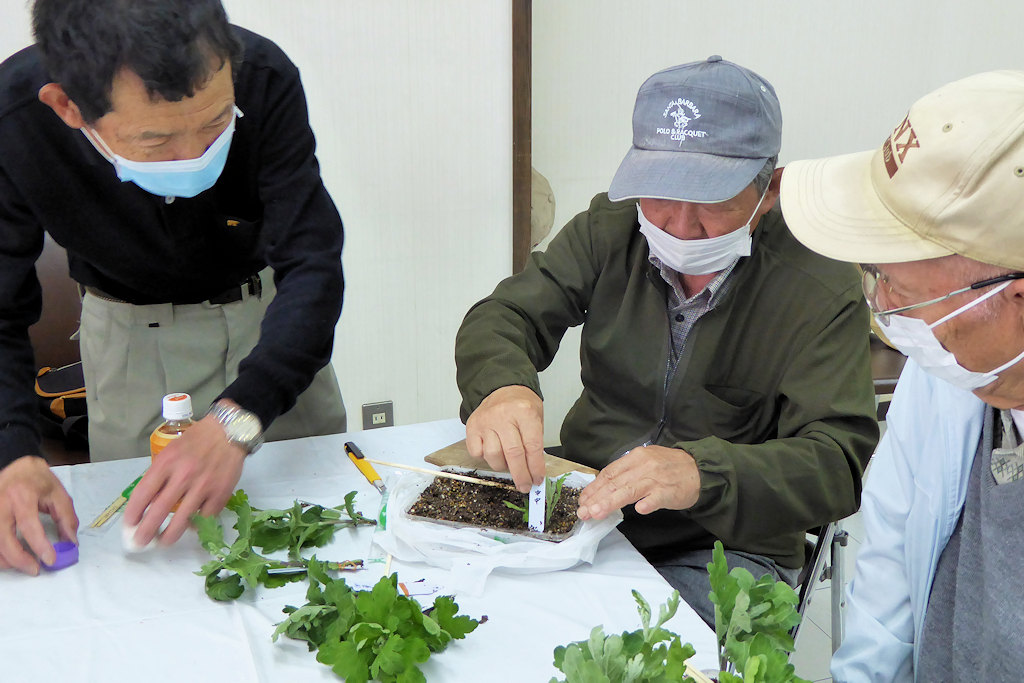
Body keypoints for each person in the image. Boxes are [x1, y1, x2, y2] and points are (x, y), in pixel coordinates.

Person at [454, 56, 879, 624]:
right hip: (590, 507)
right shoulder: (611, 228)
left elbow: (836, 463)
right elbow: (506, 314)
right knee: (484, 615)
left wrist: (703, 474)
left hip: (726, 548)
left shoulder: (819, 285)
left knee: (619, 647)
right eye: (658, 195)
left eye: (711, 203)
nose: (679, 225)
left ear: (770, 190)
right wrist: (502, 386)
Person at [0, 0, 348, 575]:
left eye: (216, 124)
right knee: (150, 556)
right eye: (156, 140)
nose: (196, 158)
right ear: (68, 106)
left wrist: (239, 417)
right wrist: (12, 451)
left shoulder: (262, 74)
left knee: (321, 534)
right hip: (128, 341)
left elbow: (313, 259)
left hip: (270, 329)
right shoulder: (13, 119)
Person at [781, 70, 1024, 681]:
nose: (883, 309)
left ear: (1015, 298)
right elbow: (887, 582)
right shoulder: (949, 379)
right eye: (876, 276)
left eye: (902, 289)